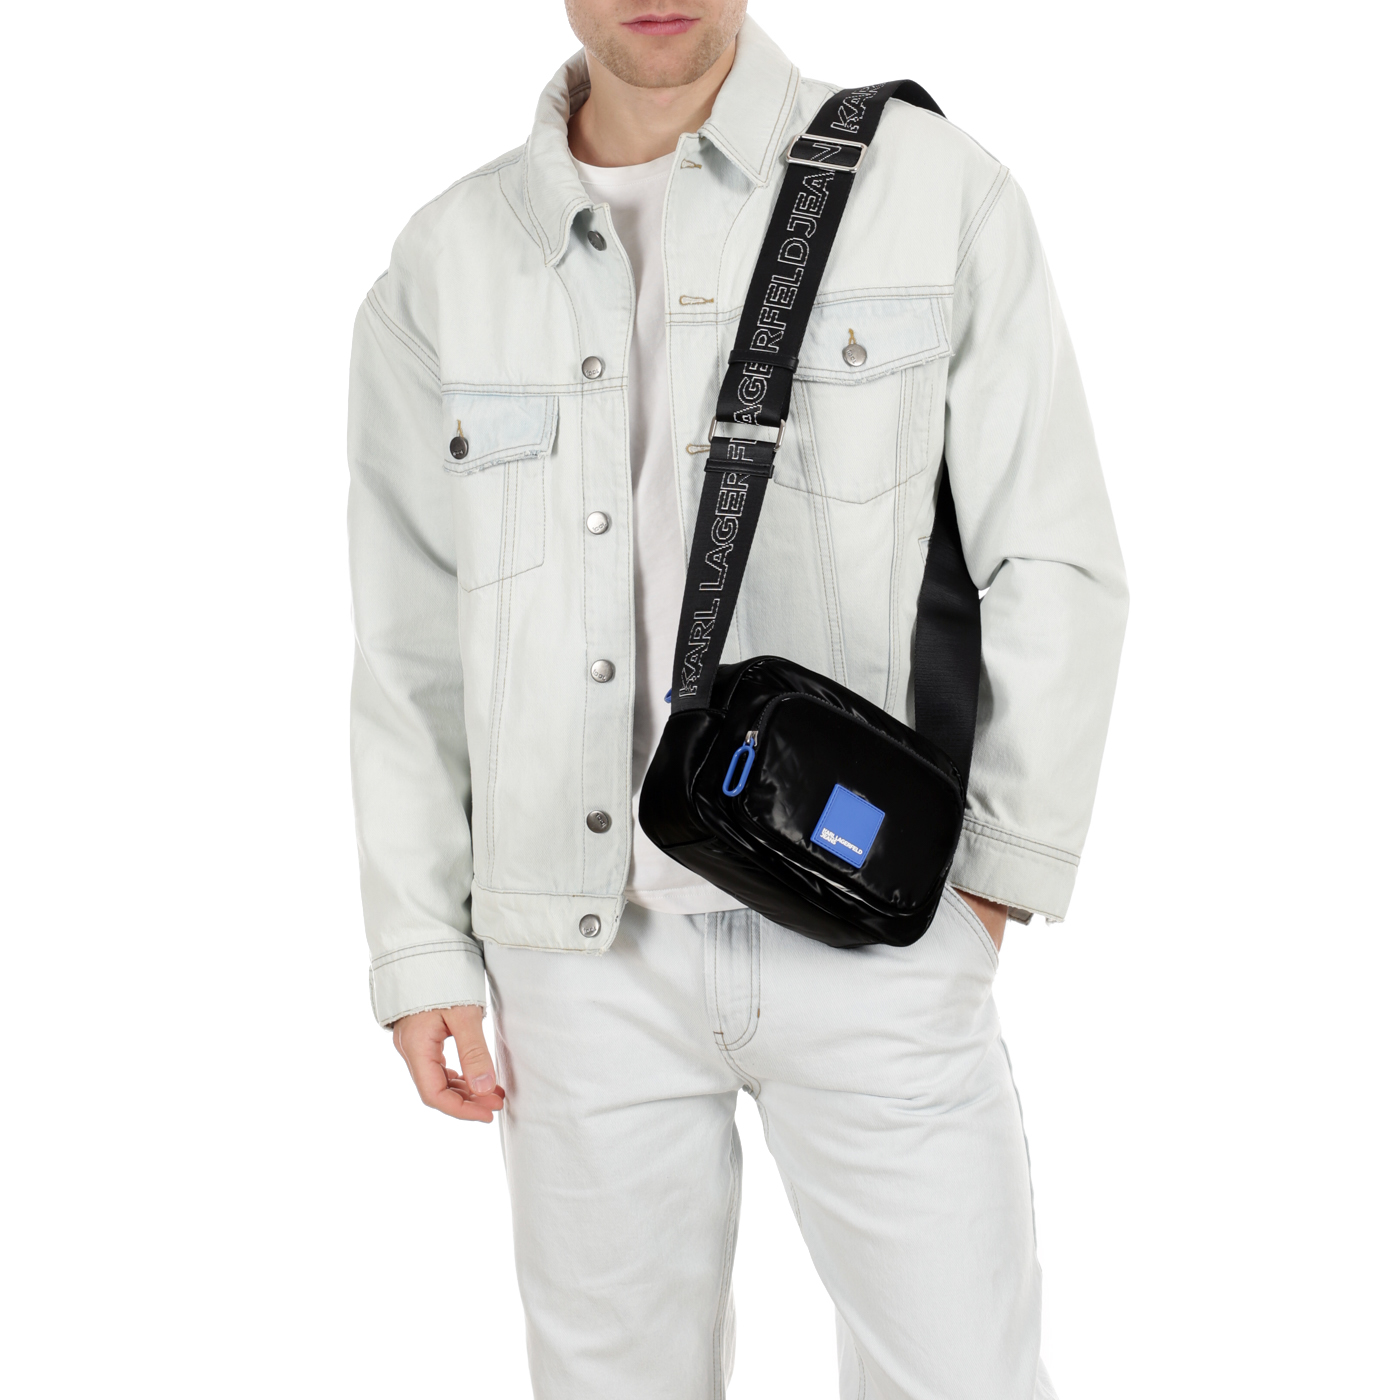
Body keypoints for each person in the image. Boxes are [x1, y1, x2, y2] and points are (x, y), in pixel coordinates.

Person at [346, 3, 1127, 1396]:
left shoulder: (935, 191)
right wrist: (420, 947)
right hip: (575, 950)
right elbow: (411, 644)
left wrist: (993, 879)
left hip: (867, 921)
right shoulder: (446, 262)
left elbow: (1053, 556)